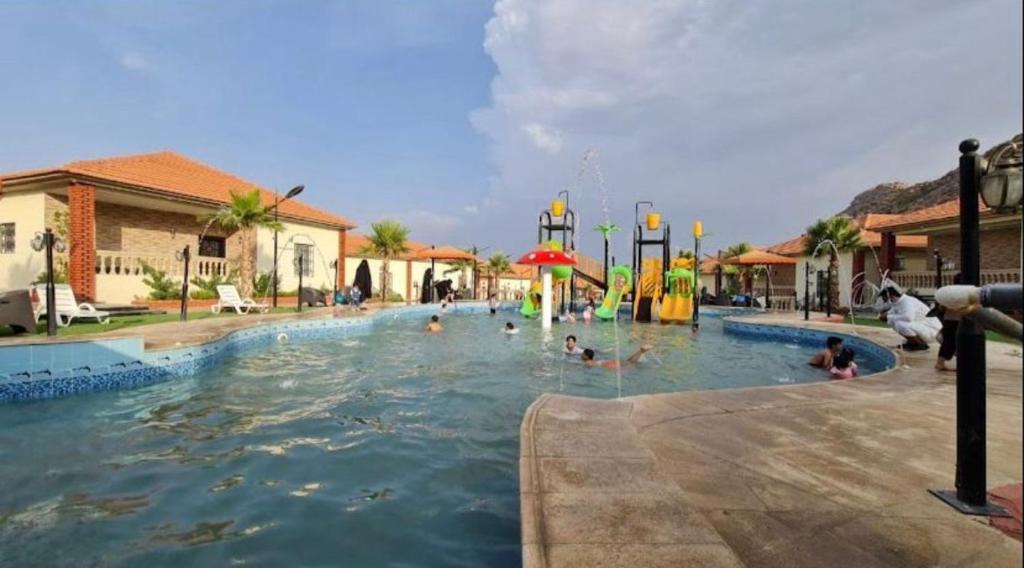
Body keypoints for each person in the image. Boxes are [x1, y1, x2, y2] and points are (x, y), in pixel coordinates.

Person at [934, 273, 962, 372]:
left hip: (948, 319)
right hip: (957, 320)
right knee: (957, 343)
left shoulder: (949, 291)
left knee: (948, 342)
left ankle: (940, 362)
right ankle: (940, 363)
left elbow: (941, 307)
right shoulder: (964, 292)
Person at [581, 344, 653, 369]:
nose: (581, 355)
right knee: (628, 361)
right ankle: (640, 351)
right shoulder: (592, 361)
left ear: (586, 356)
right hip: (606, 362)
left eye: (583, 354)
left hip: (606, 365)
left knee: (631, 363)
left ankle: (641, 351)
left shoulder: (587, 363)